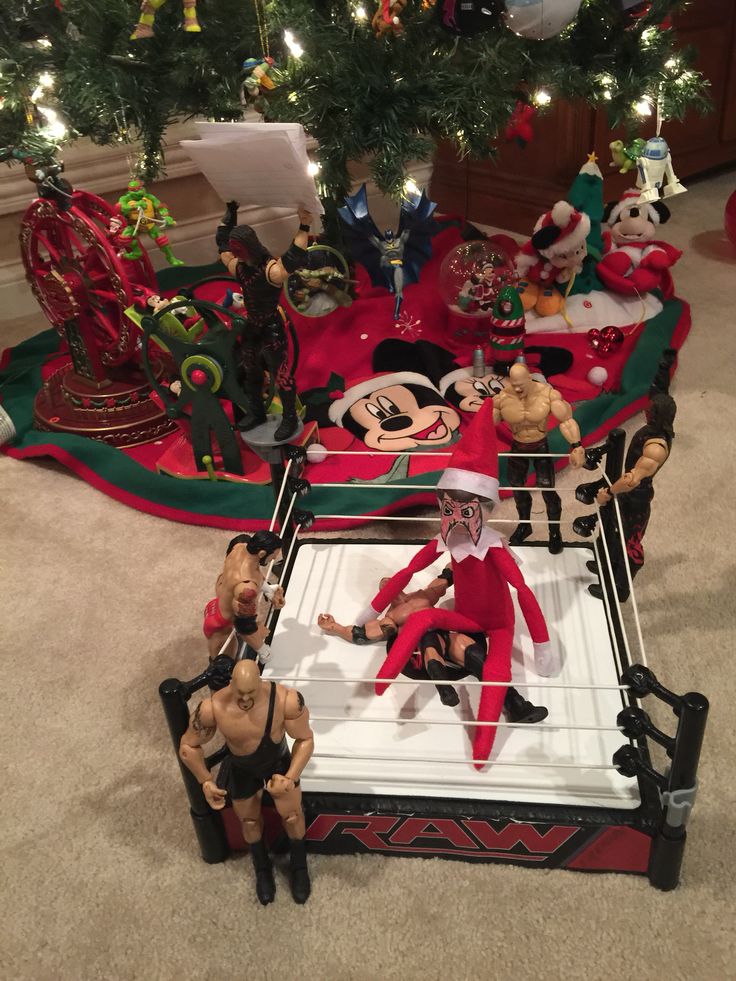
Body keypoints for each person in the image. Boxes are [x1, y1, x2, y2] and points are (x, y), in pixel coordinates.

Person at [354, 401, 556, 767]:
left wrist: (542, 645)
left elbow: (522, 591)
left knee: (496, 671)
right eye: (448, 509)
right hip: (464, 616)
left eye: (466, 510)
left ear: (482, 508)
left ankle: (483, 749)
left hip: (498, 622)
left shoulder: (494, 547)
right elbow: (409, 571)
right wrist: (368, 610)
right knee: (420, 619)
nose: (456, 517)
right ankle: (383, 683)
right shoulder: (447, 541)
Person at [318, 571, 546, 720]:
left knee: (477, 657)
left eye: (391, 581)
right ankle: (443, 685)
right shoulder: (391, 617)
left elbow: (447, 576)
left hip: (447, 630)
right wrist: (336, 627)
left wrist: (463, 551)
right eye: (385, 585)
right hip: (423, 641)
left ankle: (516, 704)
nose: (389, 583)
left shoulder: (422, 596)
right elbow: (360, 634)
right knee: (427, 637)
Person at [179, 660, 314, 905]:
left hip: (278, 763)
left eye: (250, 693)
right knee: (250, 823)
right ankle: (262, 868)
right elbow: (188, 746)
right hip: (242, 767)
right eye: (239, 693)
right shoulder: (213, 708)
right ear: (231, 684)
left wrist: (291, 777)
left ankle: (299, 866)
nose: (244, 700)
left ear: (260, 684)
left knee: (293, 816)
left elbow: (305, 739)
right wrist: (205, 781)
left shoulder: (286, 699)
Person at [216, 203, 314, 442]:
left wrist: (304, 224)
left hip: (271, 328)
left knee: (280, 374)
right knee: (251, 370)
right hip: (252, 326)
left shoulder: (271, 271)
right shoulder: (237, 267)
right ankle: (257, 412)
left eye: (237, 248)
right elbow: (220, 244)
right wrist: (231, 214)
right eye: (233, 248)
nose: (234, 252)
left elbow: (293, 257)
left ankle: (289, 417)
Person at [589, 393, 675, 602]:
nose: (645, 412)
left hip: (636, 497)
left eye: (650, 410)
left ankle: (619, 588)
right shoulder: (650, 431)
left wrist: (608, 493)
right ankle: (608, 564)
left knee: (630, 543)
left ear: (658, 415)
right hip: (628, 495)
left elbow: (632, 479)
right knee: (615, 530)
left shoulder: (656, 447)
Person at [493, 361, 585, 553]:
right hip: (517, 446)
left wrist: (576, 446)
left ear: (530, 378)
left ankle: (554, 532)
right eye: (514, 384)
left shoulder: (548, 394)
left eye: (521, 385)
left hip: (540, 446)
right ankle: (525, 525)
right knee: (517, 488)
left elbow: (567, 421)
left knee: (547, 489)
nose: (517, 389)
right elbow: (485, 426)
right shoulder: (503, 398)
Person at [203, 532, 285, 678]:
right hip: (221, 625)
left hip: (221, 594)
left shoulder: (240, 546)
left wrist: (268, 590)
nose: (273, 559)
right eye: (272, 556)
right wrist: (263, 650)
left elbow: (253, 572)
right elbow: (245, 628)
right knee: (224, 670)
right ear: (262, 553)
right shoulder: (247, 589)